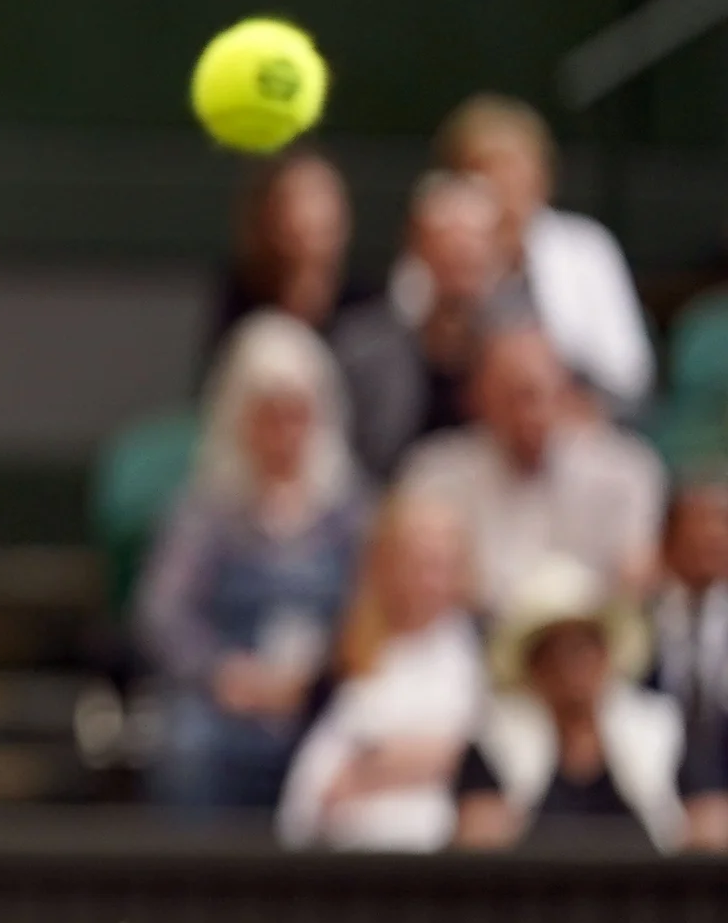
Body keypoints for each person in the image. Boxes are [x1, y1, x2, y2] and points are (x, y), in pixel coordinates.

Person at [134, 312, 368, 813]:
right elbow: (162, 612)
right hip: (227, 693)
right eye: (269, 415)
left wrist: (323, 675)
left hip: (324, 692)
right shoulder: (205, 512)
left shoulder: (349, 512)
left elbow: (375, 607)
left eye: (297, 414)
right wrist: (222, 673)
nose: (284, 433)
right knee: (184, 748)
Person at [398, 318, 667, 615]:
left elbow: (635, 575)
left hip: (590, 639)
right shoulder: (435, 471)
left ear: (565, 394)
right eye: (510, 397)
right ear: (477, 399)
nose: (527, 414)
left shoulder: (626, 470)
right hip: (475, 634)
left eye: (537, 395)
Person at [452, 555, 713, 852]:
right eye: (553, 651)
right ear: (532, 667)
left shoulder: (659, 728)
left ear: (606, 653)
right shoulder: (495, 739)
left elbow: (709, 818)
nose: (570, 665)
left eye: (584, 647)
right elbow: (475, 833)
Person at [276, 493, 483, 851]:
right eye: (419, 565)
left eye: (443, 566)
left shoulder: (475, 645)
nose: (430, 581)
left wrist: (367, 769)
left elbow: (457, 750)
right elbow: (320, 754)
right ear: (385, 565)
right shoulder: (348, 647)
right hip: (333, 837)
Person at [438, 94, 650, 415]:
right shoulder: (438, 245)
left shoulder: (586, 248)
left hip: (579, 425)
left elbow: (629, 375)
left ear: (543, 176)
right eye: (485, 167)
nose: (504, 183)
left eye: (514, 167)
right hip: (469, 428)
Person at [333, 169, 524, 479]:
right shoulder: (363, 353)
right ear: (418, 246)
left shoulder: (527, 355)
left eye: (473, 245)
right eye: (449, 245)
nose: (461, 256)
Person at [203, 147, 354, 366]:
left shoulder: (367, 310)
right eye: (298, 198)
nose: (312, 214)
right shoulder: (238, 304)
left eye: (321, 196)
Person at [653, 470, 728, 730]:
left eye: (720, 527)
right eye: (697, 526)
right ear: (667, 541)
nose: (709, 536)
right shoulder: (643, 619)